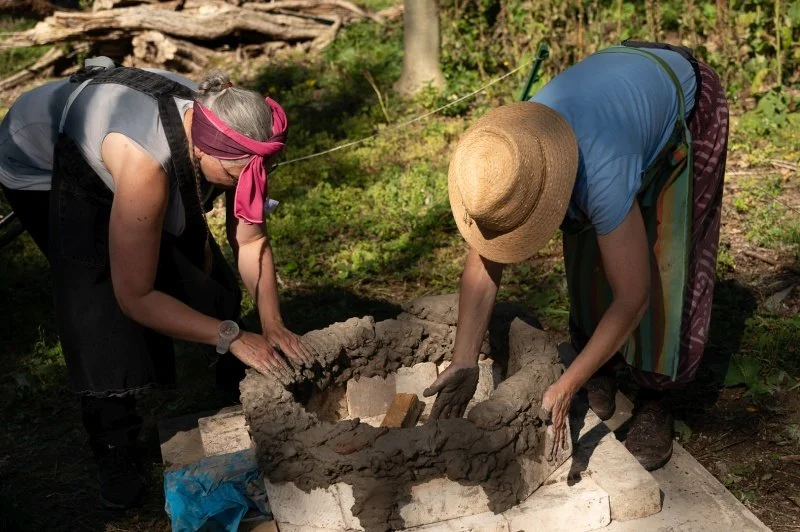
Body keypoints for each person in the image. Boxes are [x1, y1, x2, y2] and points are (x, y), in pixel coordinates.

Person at [0, 58, 313, 508]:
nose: (248, 184)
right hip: (41, 157)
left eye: (256, 174)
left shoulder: (233, 134)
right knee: (99, 292)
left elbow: (250, 240)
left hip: (129, 142)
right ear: (203, 150)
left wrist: (272, 321)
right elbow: (136, 296)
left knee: (190, 253)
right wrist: (230, 333)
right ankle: (115, 446)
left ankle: (232, 368)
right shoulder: (146, 164)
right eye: (234, 176)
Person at [423, 41, 729, 471]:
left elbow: (633, 297)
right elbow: (483, 264)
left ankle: (656, 398)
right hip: (613, 105)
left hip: (684, 105)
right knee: (588, 254)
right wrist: (463, 360)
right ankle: (601, 364)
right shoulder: (510, 154)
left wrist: (567, 384)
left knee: (665, 264)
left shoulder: (601, 168)